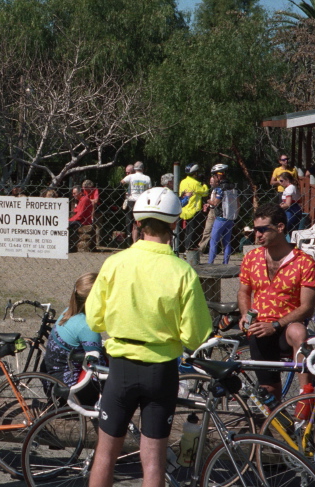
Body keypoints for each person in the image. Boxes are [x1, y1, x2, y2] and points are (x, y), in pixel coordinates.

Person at [85, 187, 211, 487]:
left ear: (138, 224)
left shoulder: (115, 263)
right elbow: (195, 336)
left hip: (120, 368)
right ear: (175, 225)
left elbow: (94, 318)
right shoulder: (183, 272)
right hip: (161, 371)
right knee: (153, 460)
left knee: (105, 454)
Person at [238, 203, 315, 401]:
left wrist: (275, 325)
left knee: (298, 331)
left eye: (263, 229)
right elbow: (243, 292)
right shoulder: (252, 258)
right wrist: (245, 314)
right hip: (259, 327)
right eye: (255, 230)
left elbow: (307, 308)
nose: (257, 235)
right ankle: (275, 422)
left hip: (286, 326)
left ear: (280, 227)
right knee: (269, 396)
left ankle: (306, 396)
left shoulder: (305, 262)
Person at [43, 273, 103, 391]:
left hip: (50, 376)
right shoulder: (87, 327)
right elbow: (98, 366)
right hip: (69, 385)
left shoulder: (68, 312)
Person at [207, 164, 238, 265]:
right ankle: (225, 263)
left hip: (220, 217)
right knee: (227, 242)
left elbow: (216, 203)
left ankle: (210, 263)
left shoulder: (220, 188)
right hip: (230, 217)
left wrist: (208, 201)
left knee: (213, 241)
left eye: (215, 176)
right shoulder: (233, 187)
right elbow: (238, 203)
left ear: (218, 176)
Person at [179, 163, 209, 254]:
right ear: (195, 173)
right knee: (192, 230)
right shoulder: (196, 183)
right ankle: (189, 248)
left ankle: (183, 248)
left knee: (185, 230)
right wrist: (204, 184)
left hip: (184, 209)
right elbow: (205, 192)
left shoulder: (182, 182)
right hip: (194, 210)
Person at [121, 162, 152, 245]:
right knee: (140, 222)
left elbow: (122, 182)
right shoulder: (147, 178)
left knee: (131, 222)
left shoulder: (131, 176)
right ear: (143, 169)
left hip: (132, 200)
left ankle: (131, 241)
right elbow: (149, 190)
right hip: (142, 201)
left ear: (134, 169)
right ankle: (141, 241)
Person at [197, 173, 219, 254]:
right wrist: (208, 204)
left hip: (216, 211)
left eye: (212, 182)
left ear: (217, 182)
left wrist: (209, 201)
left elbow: (216, 202)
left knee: (210, 231)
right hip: (212, 210)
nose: (210, 183)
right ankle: (201, 248)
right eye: (210, 182)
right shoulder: (213, 190)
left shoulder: (219, 190)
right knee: (207, 231)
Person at [277, 172, 303, 238]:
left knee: (285, 230)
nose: (280, 182)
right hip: (296, 209)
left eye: (281, 181)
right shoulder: (293, 187)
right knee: (293, 232)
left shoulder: (289, 188)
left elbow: (288, 204)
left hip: (291, 211)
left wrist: (277, 207)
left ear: (287, 180)